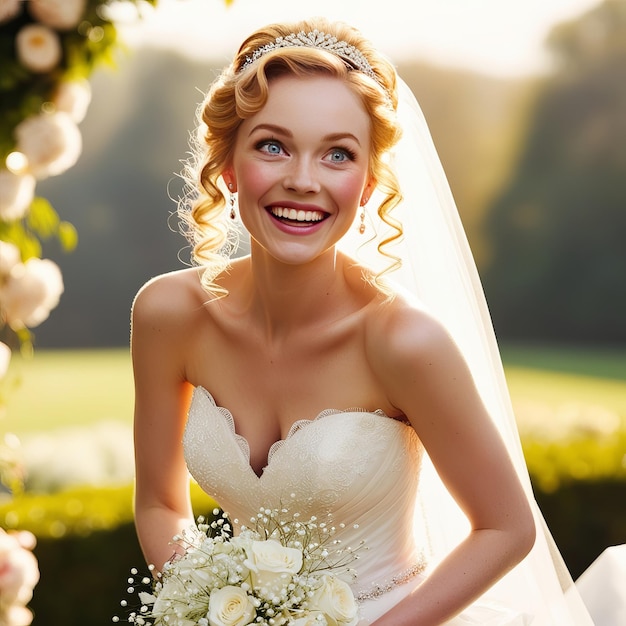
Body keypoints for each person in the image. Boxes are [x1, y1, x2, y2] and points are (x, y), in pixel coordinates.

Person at [130, 17, 594, 625]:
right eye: (273, 145)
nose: (303, 180)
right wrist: (209, 608)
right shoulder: (168, 314)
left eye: (338, 154)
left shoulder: (403, 340)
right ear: (229, 165)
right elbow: (161, 505)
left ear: (368, 182)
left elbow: (506, 528)